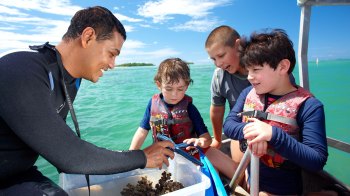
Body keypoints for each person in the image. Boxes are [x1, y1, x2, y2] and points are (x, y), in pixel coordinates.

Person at [0, 6, 174, 196]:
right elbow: (70, 155)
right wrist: (142, 157)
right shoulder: (22, 69)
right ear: (88, 37)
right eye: (112, 53)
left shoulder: (71, 82)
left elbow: (59, 141)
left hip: (18, 175)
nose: (112, 65)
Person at [223, 29, 328, 195]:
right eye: (248, 70)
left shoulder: (310, 106)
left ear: (283, 66)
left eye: (256, 70)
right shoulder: (248, 94)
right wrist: (252, 132)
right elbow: (228, 125)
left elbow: (316, 160)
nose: (249, 77)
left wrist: (273, 135)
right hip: (253, 175)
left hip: (284, 189)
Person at [129, 57, 236, 180]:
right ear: (159, 85)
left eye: (180, 89)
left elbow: (206, 138)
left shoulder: (190, 108)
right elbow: (142, 131)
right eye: (169, 89)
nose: (174, 94)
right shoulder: (152, 104)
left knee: (233, 169)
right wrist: (132, 155)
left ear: (187, 86)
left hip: (190, 151)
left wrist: (201, 142)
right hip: (163, 153)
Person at [205, 25, 251, 166]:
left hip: (269, 129)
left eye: (221, 56)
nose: (218, 64)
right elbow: (217, 110)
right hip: (240, 129)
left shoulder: (265, 68)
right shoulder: (219, 76)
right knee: (241, 170)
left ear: (238, 46)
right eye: (213, 59)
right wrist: (217, 140)